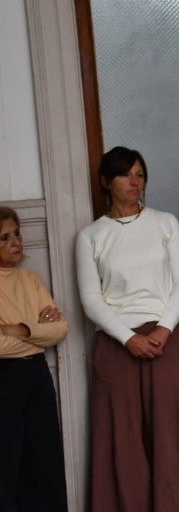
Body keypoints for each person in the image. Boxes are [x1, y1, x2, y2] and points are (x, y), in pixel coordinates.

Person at [75, 147, 179, 511]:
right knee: (122, 440)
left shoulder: (165, 223)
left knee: (172, 434)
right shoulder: (91, 236)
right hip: (115, 343)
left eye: (140, 174)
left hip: (163, 337)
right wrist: (128, 338)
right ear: (106, 181)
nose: (135, 181)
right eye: (125, 174)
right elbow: (90, 299)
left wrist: (163, 330)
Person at [0, 206, 69, 511]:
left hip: (37, 377)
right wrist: (37, 333)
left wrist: (20, 329)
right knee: (6, 465)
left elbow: (60, 328)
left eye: (16, 233)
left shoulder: (31, 279)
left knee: (45, 463)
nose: (15, 241)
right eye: (4, 237)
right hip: (4, 379)